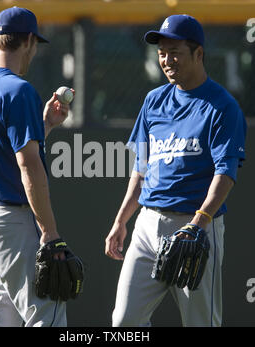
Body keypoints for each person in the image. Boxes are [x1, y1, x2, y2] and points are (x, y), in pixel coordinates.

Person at [105, 14, 247, 327]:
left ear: (199, 53)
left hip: (195, 228)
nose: (167, 60)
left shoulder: (222, 106)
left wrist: (199, 223)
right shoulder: (154, 100)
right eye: (161, 53)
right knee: (123, 322)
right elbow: (141, 168)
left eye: (175, 52)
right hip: (147, 225)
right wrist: (121, 220)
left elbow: (225, 174)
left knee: (201, 323)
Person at [0, 7, 72, 327]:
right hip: (10, 221)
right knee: (47, 316)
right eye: (34, 45)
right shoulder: (18, 89)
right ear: (27, 42)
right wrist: (50, 233)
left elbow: (2, 152)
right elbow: (28, 165)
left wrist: (45, 125)